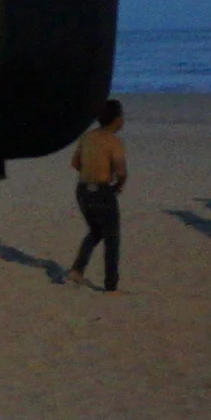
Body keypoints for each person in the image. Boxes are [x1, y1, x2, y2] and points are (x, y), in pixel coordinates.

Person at [66, 100, 127, 292]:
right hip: (101, 191)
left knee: (95, 231)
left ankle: (77, 269)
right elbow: (121, 171)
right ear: (116, 120)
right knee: (112, 237)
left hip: (83, 190)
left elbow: (75, 163)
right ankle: (111, 283)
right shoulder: (113, 141)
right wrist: (118, 185)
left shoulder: (87, 137)